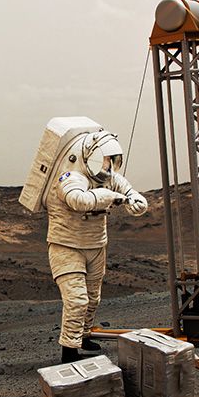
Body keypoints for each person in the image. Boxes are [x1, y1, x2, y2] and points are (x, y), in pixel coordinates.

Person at [45, 130, 148, 363]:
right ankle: (69, 350)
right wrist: (111, 197)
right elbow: (78, 200)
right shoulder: (69, 177)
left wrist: (134, 202)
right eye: (103, 159)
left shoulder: (108, 178)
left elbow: (134, 195)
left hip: (95, 245)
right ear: (89, 156)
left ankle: (83, 336)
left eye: (111, 160)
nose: (107, 166)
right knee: (77, 300)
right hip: (66, 246)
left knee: (93, 298)